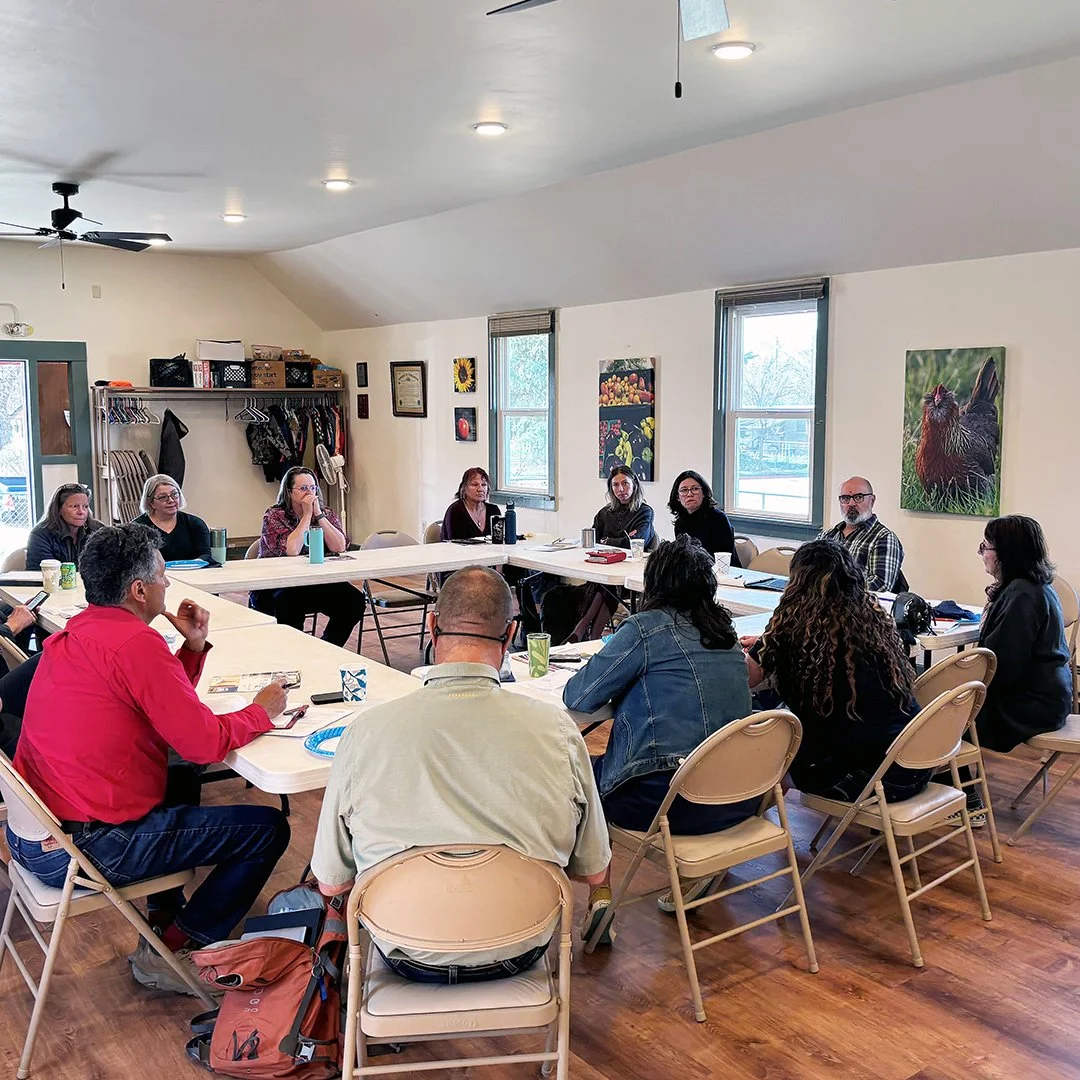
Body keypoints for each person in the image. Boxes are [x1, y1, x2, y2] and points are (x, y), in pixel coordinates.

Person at [9, 523, 291, 994]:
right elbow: (201, 741)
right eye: (162, 576)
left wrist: (193, 646)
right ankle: (176, 949)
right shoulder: (136, 645)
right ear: (139, 590)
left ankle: (163, 911)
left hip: (37, 837)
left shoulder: (75, 632)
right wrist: (260, 712)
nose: (168, 585)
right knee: (267, 831)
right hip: (85, 851)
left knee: (178, 771)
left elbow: (154, 705)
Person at [311, 566, 610, 983]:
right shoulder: (558, 731)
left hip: (402, 945)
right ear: (510, 636)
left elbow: (331, 882)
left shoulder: (365, 733)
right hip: (522, 942)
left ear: (431, 626)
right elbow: (594, 871)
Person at [563, 535, 756, 918]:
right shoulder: (726, 633)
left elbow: (578, 697)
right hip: (739, 797)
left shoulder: (646, 629)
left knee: (582, 776)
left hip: (669, 802)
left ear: (656, 582)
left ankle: (600, 899)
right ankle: (693, 877)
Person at [743, 539, 929, 803]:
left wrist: (763, 643)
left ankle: (749, 830)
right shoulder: (872, 621)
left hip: (865, 779)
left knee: (772, 751)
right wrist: (767, 641)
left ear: (798, 582)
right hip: (915, 763)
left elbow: (748, 679)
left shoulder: (791, 631)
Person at [975, 515, 1071, 752]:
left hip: (1034, 704)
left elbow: (1003, 665)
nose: (981, 554)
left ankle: (954, 783)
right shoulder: (1032, 586)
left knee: (943, 714)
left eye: (985, 547)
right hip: (1047, 697)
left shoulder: (1022, 596)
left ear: (1005, 554)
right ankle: (959, 780)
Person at [251, 466, 365, 648]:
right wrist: (306, 516)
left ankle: (327, 648)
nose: (309, 493)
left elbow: (340, 546)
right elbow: (292, 550)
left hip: (312, 581)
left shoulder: (325, 513)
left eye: (313, 488)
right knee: (289, 604)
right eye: (303, 489)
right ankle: (294, 654)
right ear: (289, 492)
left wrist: (318, 515)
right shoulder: (274, 515)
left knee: (354, 601)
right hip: (275, 585)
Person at [819, 476, 906, 592]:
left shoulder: (884, 538)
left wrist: (833, 587)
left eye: (858, 497)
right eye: (845, 498)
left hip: (856, 608)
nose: (851, 503)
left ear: (872, 500)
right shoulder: (826, 536)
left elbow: (880, 587)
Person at [132, 474, 214, 564]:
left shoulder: (195, 523)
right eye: (163, 497)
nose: (171, 500)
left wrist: (191, 565)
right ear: (151, 502)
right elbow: (134, 563)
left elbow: (205, 554)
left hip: (192, 574)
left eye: (174, 494)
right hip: (153, 577)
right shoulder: (137, 528)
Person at [26, 482, 104, 570]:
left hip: (91, 583)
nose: (81, 512)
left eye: (85, 506)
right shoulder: (41, 534)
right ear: (59, 509)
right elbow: (43, 573)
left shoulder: (98, 530)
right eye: (74, 506)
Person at [668, 470, 740, 564]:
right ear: (678, 497)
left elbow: (723, 557)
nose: (689, 494)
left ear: (704, 493)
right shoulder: (680, 523)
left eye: (695, 489)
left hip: (723, 572)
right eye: (684, 490)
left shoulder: (718, 519)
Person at [592, 465, 657, 550]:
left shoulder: (644, 512)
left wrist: (606, 541)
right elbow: (593, 542)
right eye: (615, 485)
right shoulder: (604, 513)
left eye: (625, 483)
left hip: (634, 561)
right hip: (604, 560)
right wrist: (622, 541)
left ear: (634, 484)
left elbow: (636, 544)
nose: (621, 489)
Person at [441, 467, 501, 540]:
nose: (480, 489)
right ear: (464, 489)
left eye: (484, 485)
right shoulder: (455, 511)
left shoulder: (493, 510)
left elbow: (500, 540)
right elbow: (456, 544)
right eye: (474, 485)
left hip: (490, 551)